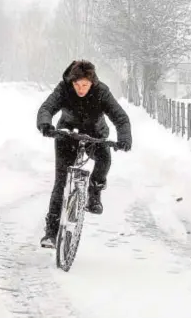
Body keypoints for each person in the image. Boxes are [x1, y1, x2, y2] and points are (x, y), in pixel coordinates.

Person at [36, 60, 132, 248]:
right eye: (77, 85)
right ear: (71, 82)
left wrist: (125, 138)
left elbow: (120, 117)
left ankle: (94, 192)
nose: (81, 89)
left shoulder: (101, 91)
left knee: (104, 160)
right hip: (67, 134)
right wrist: (45, 124)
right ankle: (51, 233)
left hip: (95, 136)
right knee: (61, 182)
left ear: (92, 82)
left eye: (85, 85)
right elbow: (46, 108)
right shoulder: (63, 89)